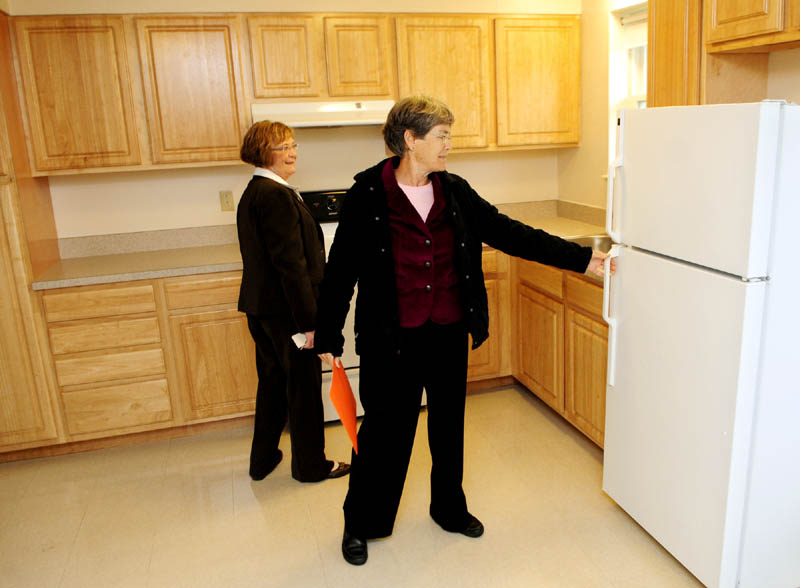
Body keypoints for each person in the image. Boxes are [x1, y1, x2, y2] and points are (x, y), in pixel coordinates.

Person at [314, 95, 613, 565]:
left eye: (449, 135)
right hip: (391, 338)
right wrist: (327, 335)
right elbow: (340, 272)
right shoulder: (368, 195)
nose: (449, 144)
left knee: (449, 427)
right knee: (385, 435)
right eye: (442, 136)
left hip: (448, 329)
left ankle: (448, 509)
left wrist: (582, 259)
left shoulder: (453, 190)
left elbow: (508, 231)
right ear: (410, 140)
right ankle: (362, 522)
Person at [236, 120, 350, 483]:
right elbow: (292, 268)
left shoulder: (255, 191)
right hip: (288, 314)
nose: (292, 152)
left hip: (262, 309)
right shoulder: (275, 195)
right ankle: (311, 466)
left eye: (293, 144)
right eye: (283, 146)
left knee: (271, 384)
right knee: (302, 391)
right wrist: (310, 324)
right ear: (262, 152)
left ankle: (263, 458)